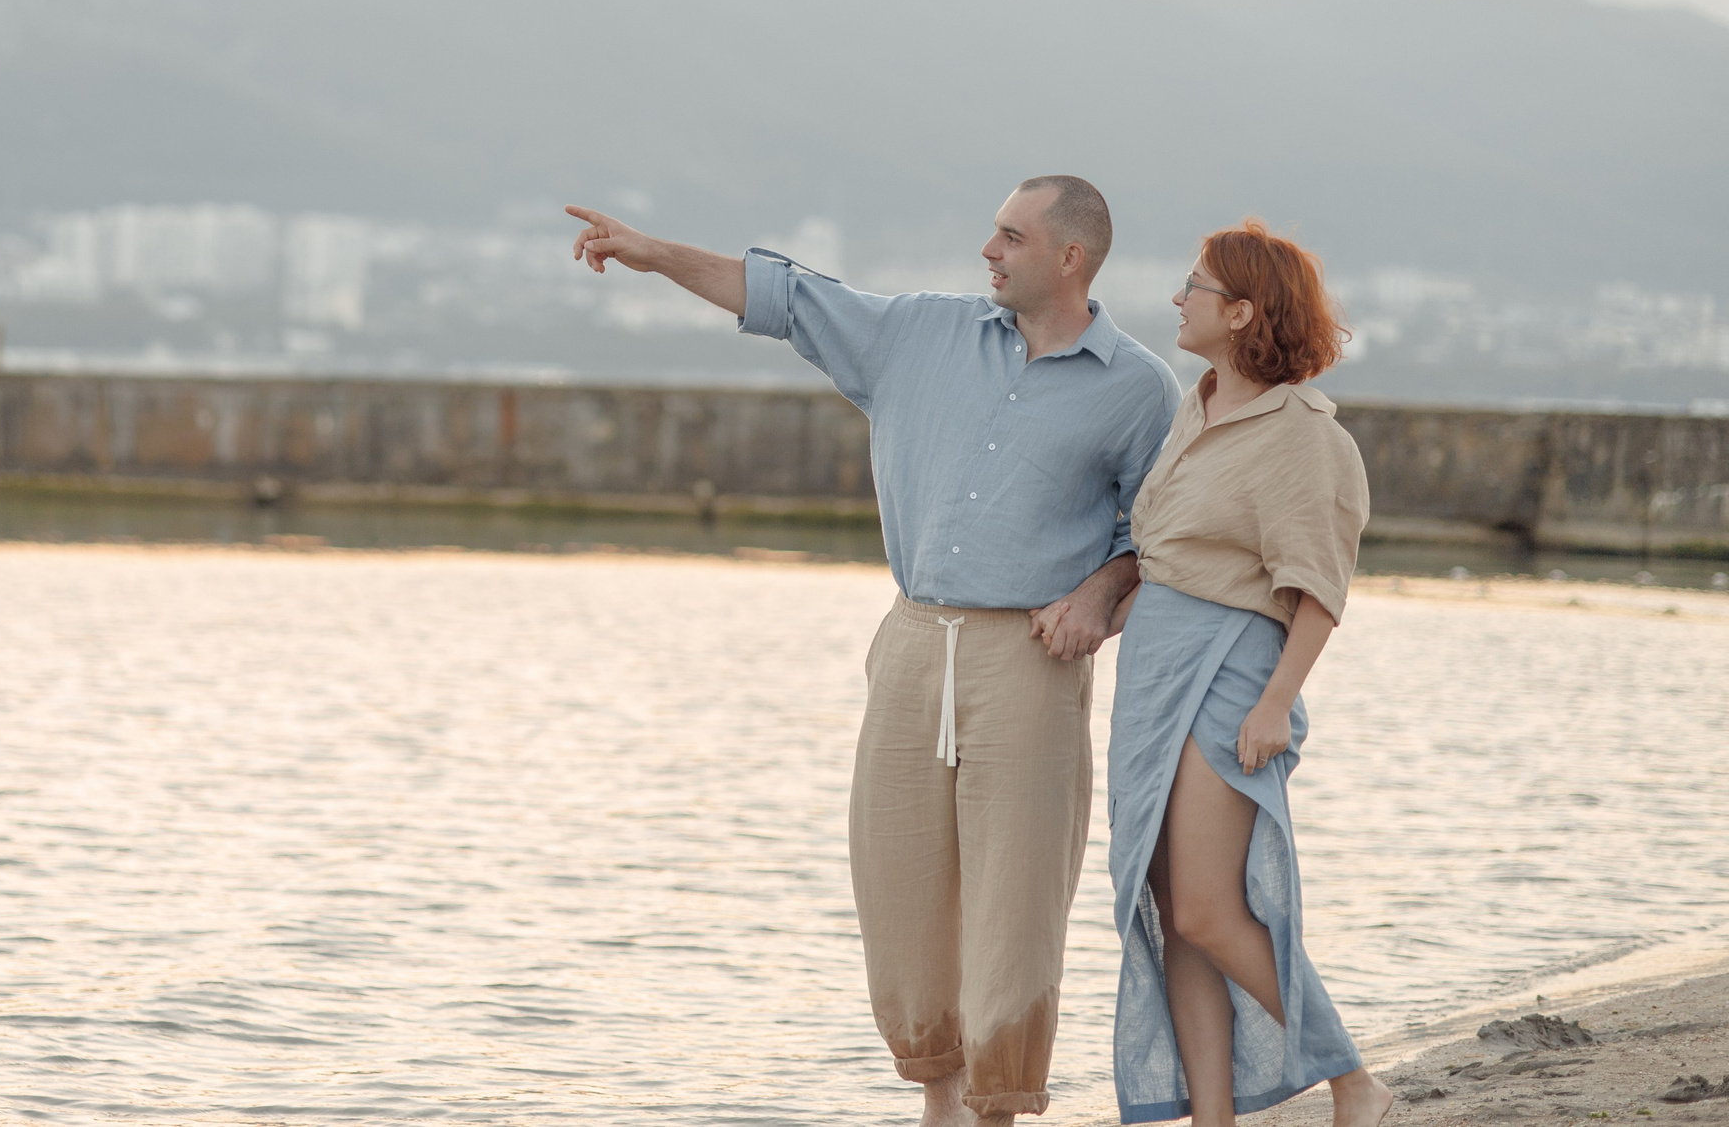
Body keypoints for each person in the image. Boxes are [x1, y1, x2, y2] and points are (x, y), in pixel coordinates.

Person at [568, 178, 1179, 1127]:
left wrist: (1102, 591)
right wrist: (654, 255)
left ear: (1070, 258)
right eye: (991, 230)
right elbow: (783, 296)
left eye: (1010, 235)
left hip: (1030, 662)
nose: (988, 248)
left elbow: (1167, 534)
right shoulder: (917, 333)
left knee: (1016, 902)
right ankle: (938, 1100)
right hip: (908, 643)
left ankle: (996, 1110)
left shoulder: (1138, 387)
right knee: (896, 891)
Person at [1104, 220, 1391, 1127]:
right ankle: (1213, 1120)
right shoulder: (1199, 402)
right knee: (1172, 914)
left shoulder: (1305, 435)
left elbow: (1319, 588)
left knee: (1207, 907)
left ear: (1239, 311)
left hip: (1228, 670)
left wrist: (1276, 704)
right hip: (1153, 671)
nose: (1176, 298)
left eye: (1193, 285)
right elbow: (1165, 548)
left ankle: (1355, 1081)